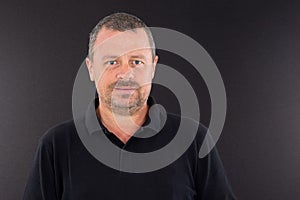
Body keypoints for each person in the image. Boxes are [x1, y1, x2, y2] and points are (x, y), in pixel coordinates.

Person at [23, 12, 236, 200]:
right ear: (90, 68)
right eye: (111, 62)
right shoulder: (55, 146)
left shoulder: (193, 139)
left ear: (153, 67)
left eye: (136, 62)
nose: (125, 74)